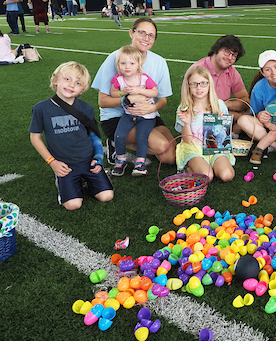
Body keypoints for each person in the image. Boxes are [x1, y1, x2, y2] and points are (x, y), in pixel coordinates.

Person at [29, 61, 114, 211]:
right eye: (67, 79)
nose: (72, 85)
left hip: (89, 161)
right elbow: (35, 137)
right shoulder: (41, 108)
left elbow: (94, 135)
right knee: (73, 205)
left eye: (78, 82)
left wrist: (98, 158)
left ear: (83, 89)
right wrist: (52, 162)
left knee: (106, 196)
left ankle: (86, 180)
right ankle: (65, 182)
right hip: (64, 165)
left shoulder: (86, 108)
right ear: (55, 80)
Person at [92, 18, 176, 166]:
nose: (146, 38)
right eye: (142, 32)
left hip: (147, 114)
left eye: (151, 35)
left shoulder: (159, 62)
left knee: (170, 157)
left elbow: (162, 100)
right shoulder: (116, 59)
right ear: (131, 33)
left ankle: (122, 142)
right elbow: (103, 102)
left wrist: (152, 107)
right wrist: (128, 98)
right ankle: (118, 141)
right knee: (161, 145)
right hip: (117, 117)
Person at [174, 65, 235, 183]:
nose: (199, 87)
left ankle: (211, 164)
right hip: (194, 148)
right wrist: (186, 123)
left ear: (209, 85)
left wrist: (221, 123)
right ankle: (189, 166)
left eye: (203, 83)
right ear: (188, 86)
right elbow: (187, 140)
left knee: (227, 175)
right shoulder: (185, 108)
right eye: (194, 84)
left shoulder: (219, 105)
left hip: (214, 147)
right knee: (207, 176)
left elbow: (224, 134)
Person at [109, 45, 159, 177]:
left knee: (142, 137)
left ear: (138, 64)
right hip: (129, 114)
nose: (127, 66)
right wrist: (122, 92)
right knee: (119, 135)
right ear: (118, 64)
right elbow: (113, 93)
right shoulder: (119, 79)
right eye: (123, 63)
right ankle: (121, 160)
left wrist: (140, 90)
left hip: (147, 115)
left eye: (131, 63)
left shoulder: (144, 78)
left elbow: (154, 91)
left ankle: (140, 163)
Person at [185, 34, 251, 129]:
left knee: (250, 112)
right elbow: (190, 104)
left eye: (234, 55)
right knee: (247, 118)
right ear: (216, 49)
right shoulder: (197, 70)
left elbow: (245, 101)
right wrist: (237, 115)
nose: (229, 57)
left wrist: (225, 104)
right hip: (201, 117)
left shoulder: (232, 71)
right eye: (226, 51)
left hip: (222, 113)